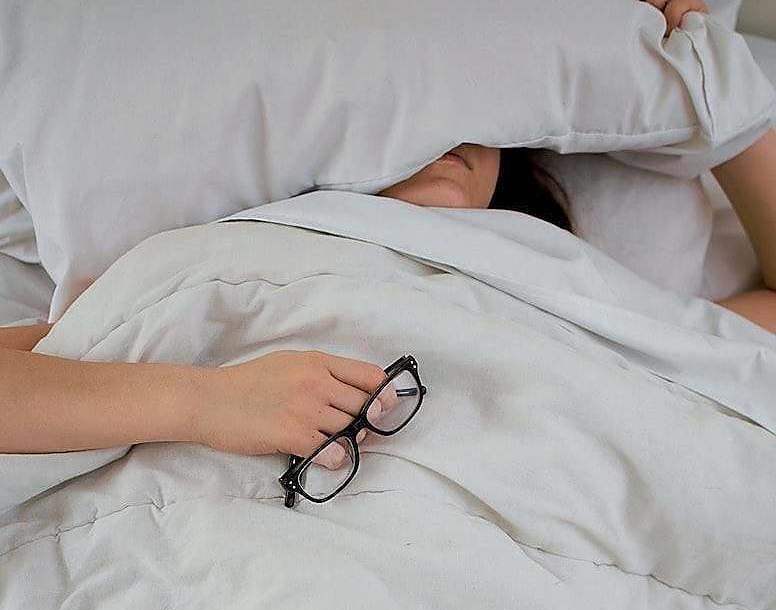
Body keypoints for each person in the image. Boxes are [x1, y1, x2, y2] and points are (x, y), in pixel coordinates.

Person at [0, 0, 773, 468]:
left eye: (472, 119)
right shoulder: (235, 262)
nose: (446, 136)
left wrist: (711, 83)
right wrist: (207, 403)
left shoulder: (565, 285)